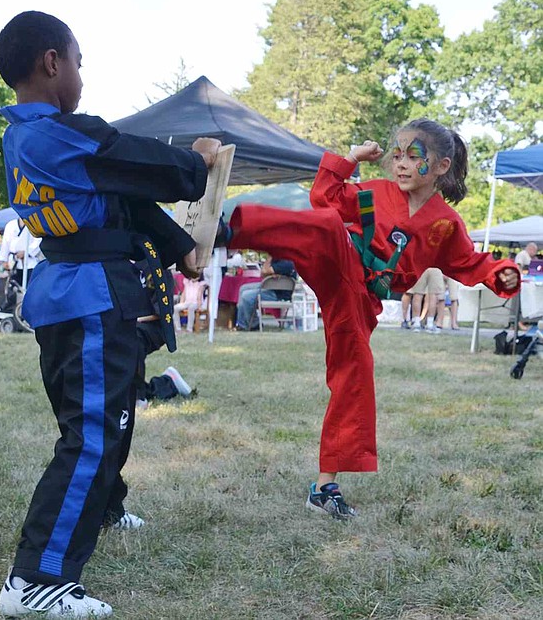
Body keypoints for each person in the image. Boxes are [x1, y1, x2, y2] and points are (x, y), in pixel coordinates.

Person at [0, 11, 220, 618]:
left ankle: (105, 506)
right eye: (77, 60)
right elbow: (142, 166)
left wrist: (181, 251)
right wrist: (196, 165)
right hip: (88, 296)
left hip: (79, 292)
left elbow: (120, 200)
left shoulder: (29, 138)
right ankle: (36, 579)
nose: (80, 73)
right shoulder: (59, 134)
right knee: (93, 433)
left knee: (109, 413)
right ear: (52, 63)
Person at [220, 118, 520, 520]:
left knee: (354, 376)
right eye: (397, 155)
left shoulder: (446, 223)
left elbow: (469, 263)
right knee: (327, 224)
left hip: (361, 302)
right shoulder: (375, 193)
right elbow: (323, 197)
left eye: (414, 157)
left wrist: (500, 274)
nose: (401, 164)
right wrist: (350, 159)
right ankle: (227, 231)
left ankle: (325, 487)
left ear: (442, 166)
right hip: (339, 263)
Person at [235, 256, 297, 330]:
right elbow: (262, 274)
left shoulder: (286, 263)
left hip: (278, 294)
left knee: (246, 296)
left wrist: (269, 258)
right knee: (243, 288)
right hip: (271, 288)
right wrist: (270, 273)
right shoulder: (278, 260)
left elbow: (264, 271)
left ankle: (254, 324)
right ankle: (242, 324)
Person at [0, 216, 42, 287]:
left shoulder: (35, 224)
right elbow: (5, 244)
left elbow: (38, 241)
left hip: (29, 263)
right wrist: (2, 261)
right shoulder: (10, 225)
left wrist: (26, 252)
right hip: (13, 263)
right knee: (13, 290)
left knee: (30, 288)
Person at [406, 267, 444, 333]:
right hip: (435, 266)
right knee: (433, 295)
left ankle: (416, 323)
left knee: (417, 293)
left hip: (421, 265)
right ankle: (430, 323)